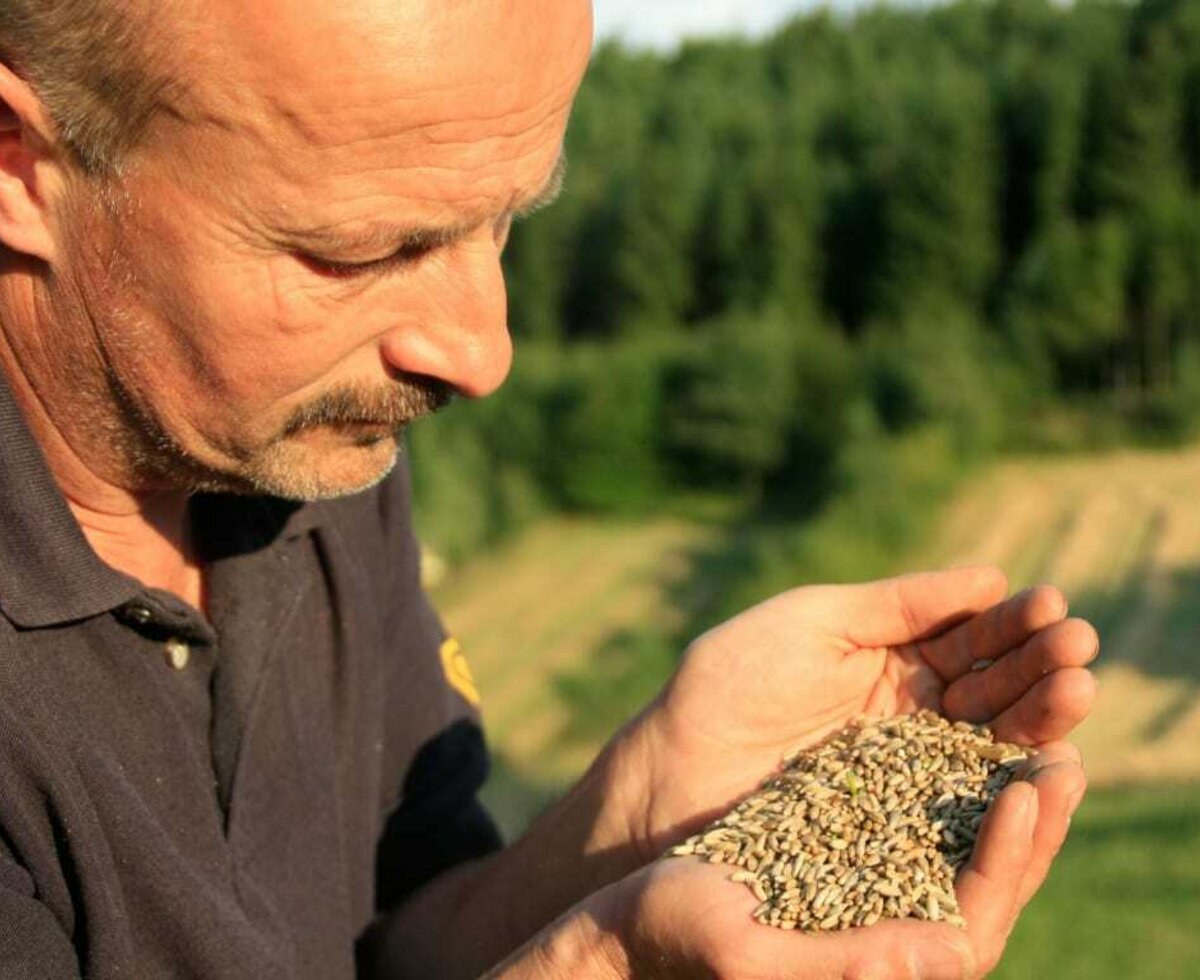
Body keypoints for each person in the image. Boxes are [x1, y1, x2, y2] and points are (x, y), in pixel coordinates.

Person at [0, 1, 1097, 977]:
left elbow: (397, 935)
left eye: (507, 218)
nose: (483, 354)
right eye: (369, 248)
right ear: (18, 166)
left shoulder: (301, 454)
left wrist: (637, 812)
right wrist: (606, 963)